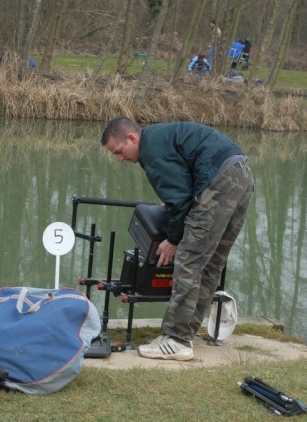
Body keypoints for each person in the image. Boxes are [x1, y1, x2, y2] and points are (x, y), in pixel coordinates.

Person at [101, 117, 254, 361]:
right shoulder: (160, 137)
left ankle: (176, 339)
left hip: (220, 180)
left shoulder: (151, 152)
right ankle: (186, 333)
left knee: (188, 259)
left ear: (132, 138)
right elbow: (183, 184)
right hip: (242, 175)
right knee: (211, 263)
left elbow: (179, 199)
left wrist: (173, 239)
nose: (120, 159)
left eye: (119, 152)